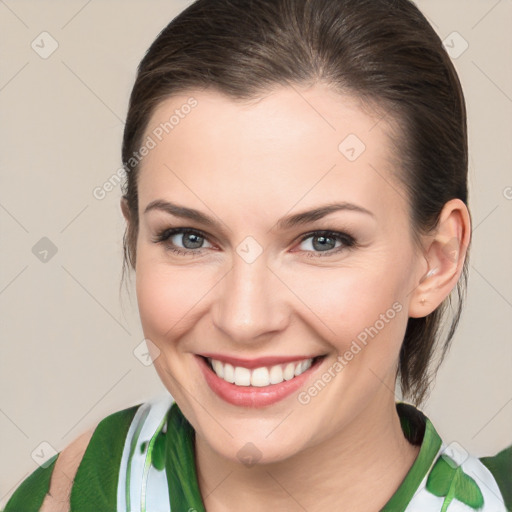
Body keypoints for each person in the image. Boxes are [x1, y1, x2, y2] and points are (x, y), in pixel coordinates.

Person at [4, 0, 511, 510]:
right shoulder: (76, 490)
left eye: (322, 241)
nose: (244, 319)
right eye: (190, 238)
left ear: (437, 259)